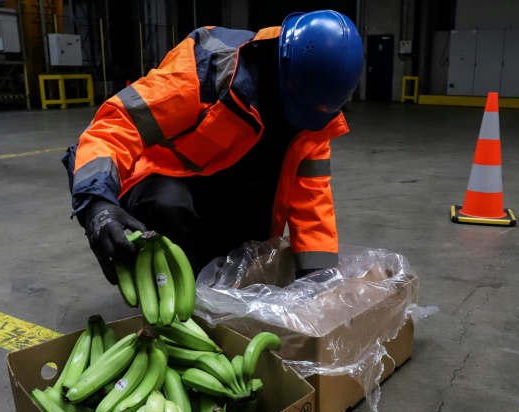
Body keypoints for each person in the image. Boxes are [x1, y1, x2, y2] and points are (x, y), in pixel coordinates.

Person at [63, 10, 364, 285]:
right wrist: (96, 204)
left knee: (255, 240)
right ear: (281, 61)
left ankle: (214, 297)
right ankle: (170, 293)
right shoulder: (208, 65)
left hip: (229, 193)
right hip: (165, 182)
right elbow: (117, 125)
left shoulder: (314, 119)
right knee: (168, 206)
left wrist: (319, 281)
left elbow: (313, 202)